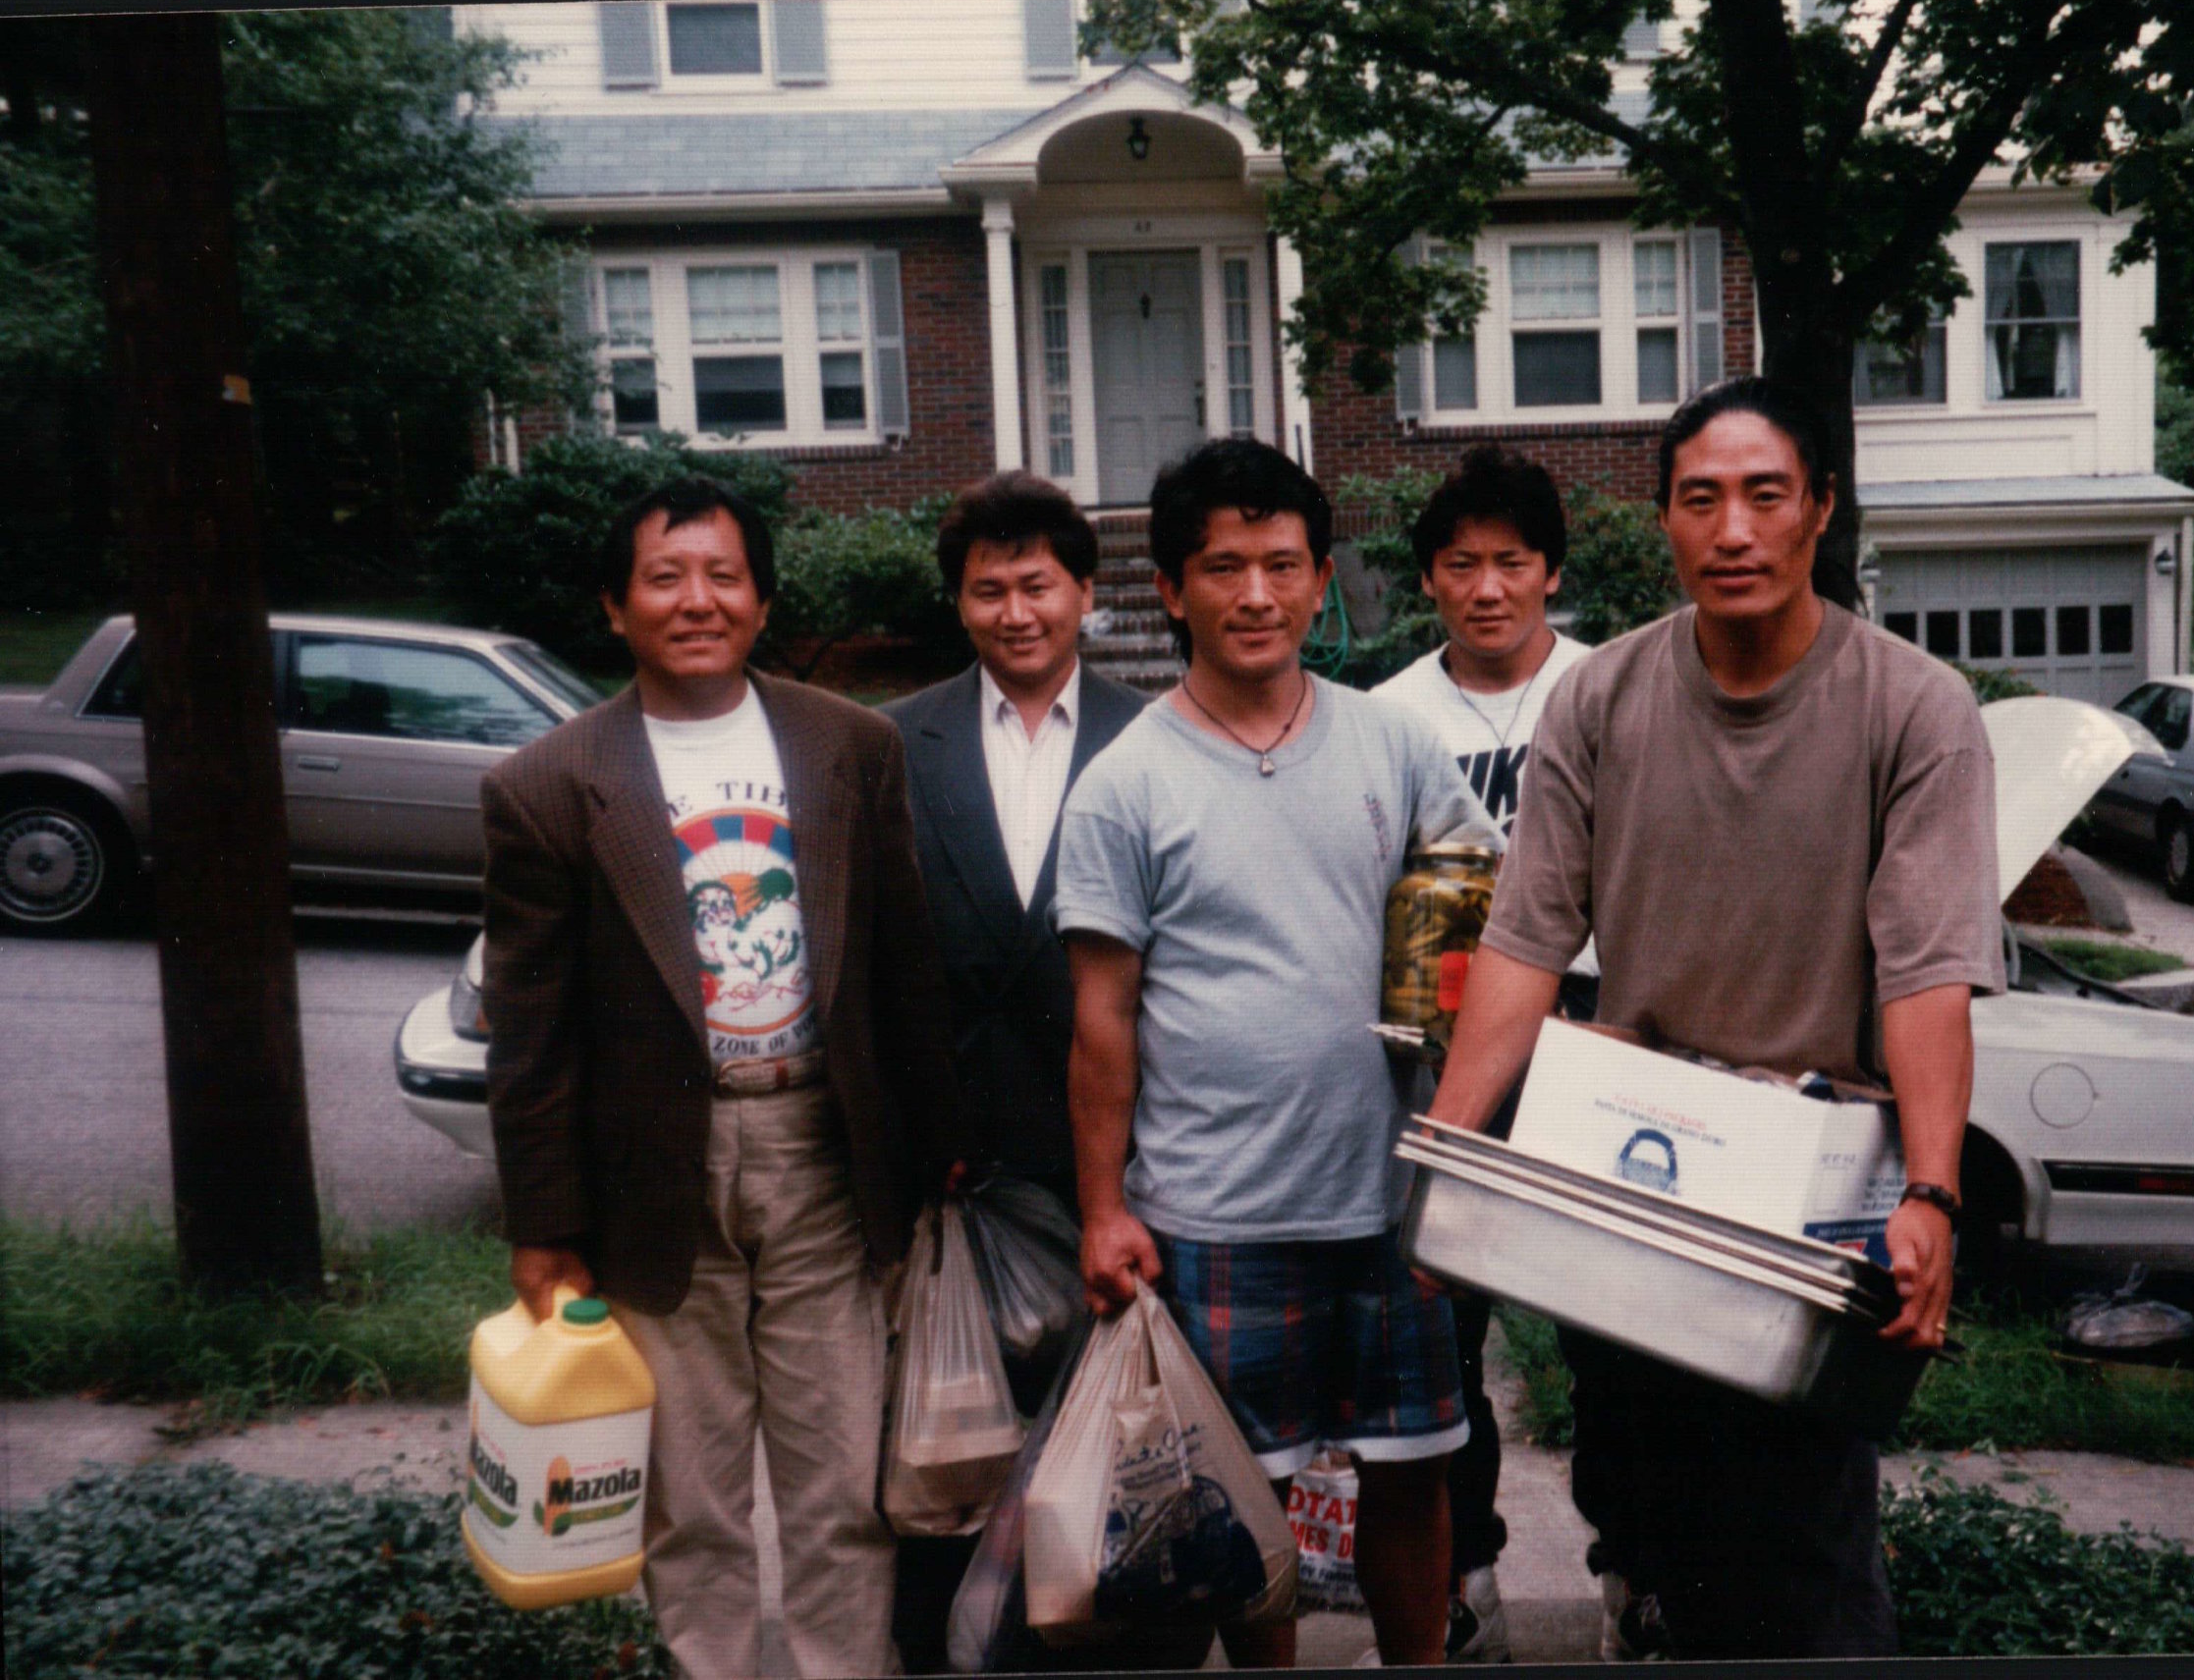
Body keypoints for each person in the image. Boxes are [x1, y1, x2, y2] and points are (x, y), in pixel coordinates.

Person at [1426, 376, 2003, 1660]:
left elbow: (1927, 972)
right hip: (1635, 1168)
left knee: (1804, 1553)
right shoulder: (1600, 697)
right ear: (1665, 520)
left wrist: (1934, 1193)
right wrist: (1450, 1154)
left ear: (1820, 509)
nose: (1733, 529)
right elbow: (1525, 940)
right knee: (1651, 1517)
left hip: (1813, 1188)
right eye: (1701, 499)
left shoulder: (1913, 709)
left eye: (1764, 495)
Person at [482, 475, 974, 1680]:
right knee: (688, 1495)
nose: (695, 600)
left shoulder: (847, 744)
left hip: (822, 1151)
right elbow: (531, 1033)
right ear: (616, 606)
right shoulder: (547, 783)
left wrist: (932, 1154)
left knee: (840, 1484)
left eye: (722, 575)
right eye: (664, 577)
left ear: (761, 600)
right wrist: (544, 1226)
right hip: (652, 1176)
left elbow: (903, 961)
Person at [1054, 438, 1499, 1668]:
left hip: (1390, 1196)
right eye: (1224, 567)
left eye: (1283, 565)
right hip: (1216, 1210)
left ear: (1320, 581)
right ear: (1171, 587)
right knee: (1246, 1503)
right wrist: (1104, 1209)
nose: (1256, 595)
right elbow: (1101, 1018)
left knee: (1416, 1471)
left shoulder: (1394, 744)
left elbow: (1481, 911)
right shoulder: (1124, 783)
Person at [880, 471, 1204, 1674]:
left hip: (1120, 1159)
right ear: (957, 603)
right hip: (953, 1168)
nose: (1015, 613)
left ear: (1084, 591)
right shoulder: (891, 742)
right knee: (946, 1446)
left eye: (1037, 585)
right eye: (987, 591)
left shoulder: (1161, 734)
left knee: (1118, 1449)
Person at [1369, 445, 1600, 1663]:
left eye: (1512, 561)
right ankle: (1466, 1586)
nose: (1488, 587)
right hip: (1449, 1039)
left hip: (1601, 1033)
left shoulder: (1610, 687)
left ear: (1550, 570)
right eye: (1461, 564)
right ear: (1428, 580)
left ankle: (1636, 1577)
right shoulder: (1386, 715)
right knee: (1443, 1327)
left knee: (1615, 1332)